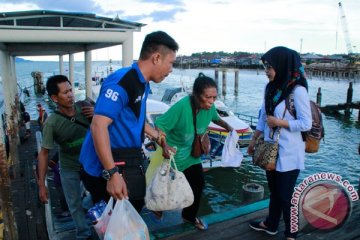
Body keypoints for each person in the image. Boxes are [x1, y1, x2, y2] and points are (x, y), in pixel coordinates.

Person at [79, 31, 179, 213]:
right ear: (157, 58)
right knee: (116, 220)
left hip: (126, 157)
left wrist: (159, 139)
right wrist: (111, 174)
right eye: (171, 63)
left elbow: (133, 119)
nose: (171, 69)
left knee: (134, 207)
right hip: (105, 165)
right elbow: (98, 125)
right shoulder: (123, 81)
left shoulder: (143, 83)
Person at [247, 46, 312, 240]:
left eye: (270, 66)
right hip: (270, 148)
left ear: (283, 66)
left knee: (285, 195)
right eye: (265, 66)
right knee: (274, 191)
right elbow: (262, 116)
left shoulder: (297, 90)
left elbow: (306, 123)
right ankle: (271, 224)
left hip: (290, 151)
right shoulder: (270, 88)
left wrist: (279, 122)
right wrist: (254, 139)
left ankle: (292, 232)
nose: (266, 70)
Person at [154, 73, 233, 230]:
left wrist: (229, 128)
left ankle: (189, 216)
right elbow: (159, 126)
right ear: (196, 95)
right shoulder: (181, 107)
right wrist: (164, 145)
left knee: (198, 182)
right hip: (173, 156)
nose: (211, 102)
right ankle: (156, 207)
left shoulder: (209, 108)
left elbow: (215, 118)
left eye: (214, 97)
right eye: (207, 97)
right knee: (165, 187)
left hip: (192, 155)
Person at [37, 75, 94, 240]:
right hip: (69, 166)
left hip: (91, 163)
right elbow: (44, 153)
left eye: (71, 90)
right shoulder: (52, 123)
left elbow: (108, 125)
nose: (70, 95)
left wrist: (97, 114)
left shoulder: (86, 108)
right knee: (73, 204)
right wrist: (41, 184)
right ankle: (84, 233)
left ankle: (89, 207)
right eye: (65, 93)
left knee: (100, 195)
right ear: (54, 98)